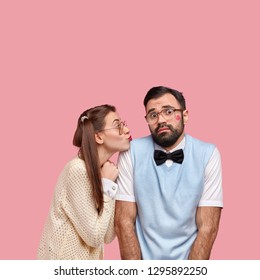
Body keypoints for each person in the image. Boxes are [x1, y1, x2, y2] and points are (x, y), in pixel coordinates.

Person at [115, 86, 223, 260]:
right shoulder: (131, 151)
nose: (161, 120)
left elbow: (208, 227)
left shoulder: (208, 154)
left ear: (185, 115)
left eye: (169, 111)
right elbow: (123, 222)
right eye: (153, 115)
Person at [38, 104, 131, 259]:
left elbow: (107, 236)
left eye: (124, 124)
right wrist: (107, 186)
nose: (126, 130)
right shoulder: (78, 170)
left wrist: (111, 185)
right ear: (99, 136)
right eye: (117, 125)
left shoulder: (101, 174)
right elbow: (94, 237)